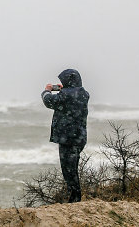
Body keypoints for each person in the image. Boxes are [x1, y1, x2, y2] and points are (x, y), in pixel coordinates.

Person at [41, 69, 90, 203]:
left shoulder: (66, 96)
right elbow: (72, 97)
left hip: (68, 139)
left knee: (69, 171)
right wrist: (66, 89)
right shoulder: (84, 94)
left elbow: (48, 101)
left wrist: (47, 90)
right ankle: (74, 198)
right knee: (72, 169)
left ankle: (74, 200)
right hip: (79, 138)